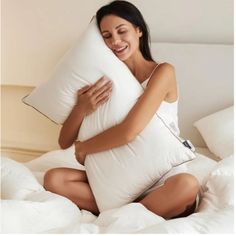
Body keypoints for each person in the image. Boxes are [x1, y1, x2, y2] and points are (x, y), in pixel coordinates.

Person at [44, 0, 200, 219]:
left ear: (139, 31)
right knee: (54, 178)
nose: (115, 41)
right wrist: (81, 108)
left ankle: (120, 215)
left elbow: (129, 131)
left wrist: (84, 149)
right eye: (107, 36)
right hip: (118, 177)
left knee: (187, 184)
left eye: (121, 31)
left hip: (161, 178)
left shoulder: (163, 72)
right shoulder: (104, 81)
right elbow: (63, 142)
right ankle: (133, 212)